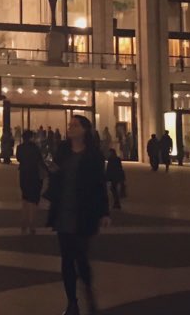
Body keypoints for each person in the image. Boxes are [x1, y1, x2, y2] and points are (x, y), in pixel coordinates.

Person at [46, 114, 110, 315]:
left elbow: (100, 185)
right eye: (70, 125)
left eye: (75, 125)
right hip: (64, 210)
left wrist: (104, 212)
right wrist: (50, 172)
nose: (70, 128)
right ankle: (72, 302)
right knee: (66, 258)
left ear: (85, 130)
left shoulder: (94, 155)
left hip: (85, 211)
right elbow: (56, 175)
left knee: (81, 257)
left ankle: (88, 293)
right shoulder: (63, 150)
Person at [17, 130, 45, 234]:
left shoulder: (20, 148)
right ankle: (32, 224)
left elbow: (19, 159)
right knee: (34, 200)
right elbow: (42, 160)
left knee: (25, 198)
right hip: (35, 175)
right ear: (31, 137)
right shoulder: (36, 148)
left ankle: (24, 222)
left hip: (24, 175)